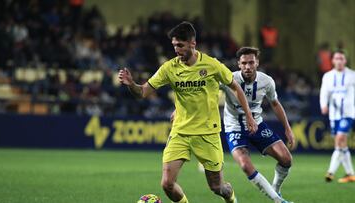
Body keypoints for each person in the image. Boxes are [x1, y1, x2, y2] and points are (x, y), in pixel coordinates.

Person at [118, 22, 258, 203]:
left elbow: (235, 87)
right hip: (180, 131)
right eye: (174, 45)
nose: (176, 49)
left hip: (207, 133)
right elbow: (143, 92)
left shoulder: (212, 65)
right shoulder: (169, 68)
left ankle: (229, 195)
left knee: (217, 187)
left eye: (180, 45)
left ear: (193, 43)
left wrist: (248, 115)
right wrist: (132, 85)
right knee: (167, 183)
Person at [222, 47, 295, 203]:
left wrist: (287, 129)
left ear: (257, 63)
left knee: (286, 159)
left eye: (251, 62)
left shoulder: (266, 81)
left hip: (257, 125)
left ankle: (275, 189)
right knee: (245, 164)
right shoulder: (228, 79)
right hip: (234, 126)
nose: (247, 66)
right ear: (238, 64)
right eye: (244, 63)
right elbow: (205, 91)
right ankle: (277, 200)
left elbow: (275, 104)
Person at [320, 50, 355, 183]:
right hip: (334, 115)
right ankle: (350, 174)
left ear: (345, 61)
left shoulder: (352, 75)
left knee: (340, 138)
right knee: (341, 144)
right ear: (333, 60)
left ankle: (330, 172)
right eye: (337, 58)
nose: (339, 60)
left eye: (341, 58)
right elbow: (324, 92)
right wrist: (324, 105)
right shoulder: (328, 76)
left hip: (348, 113)